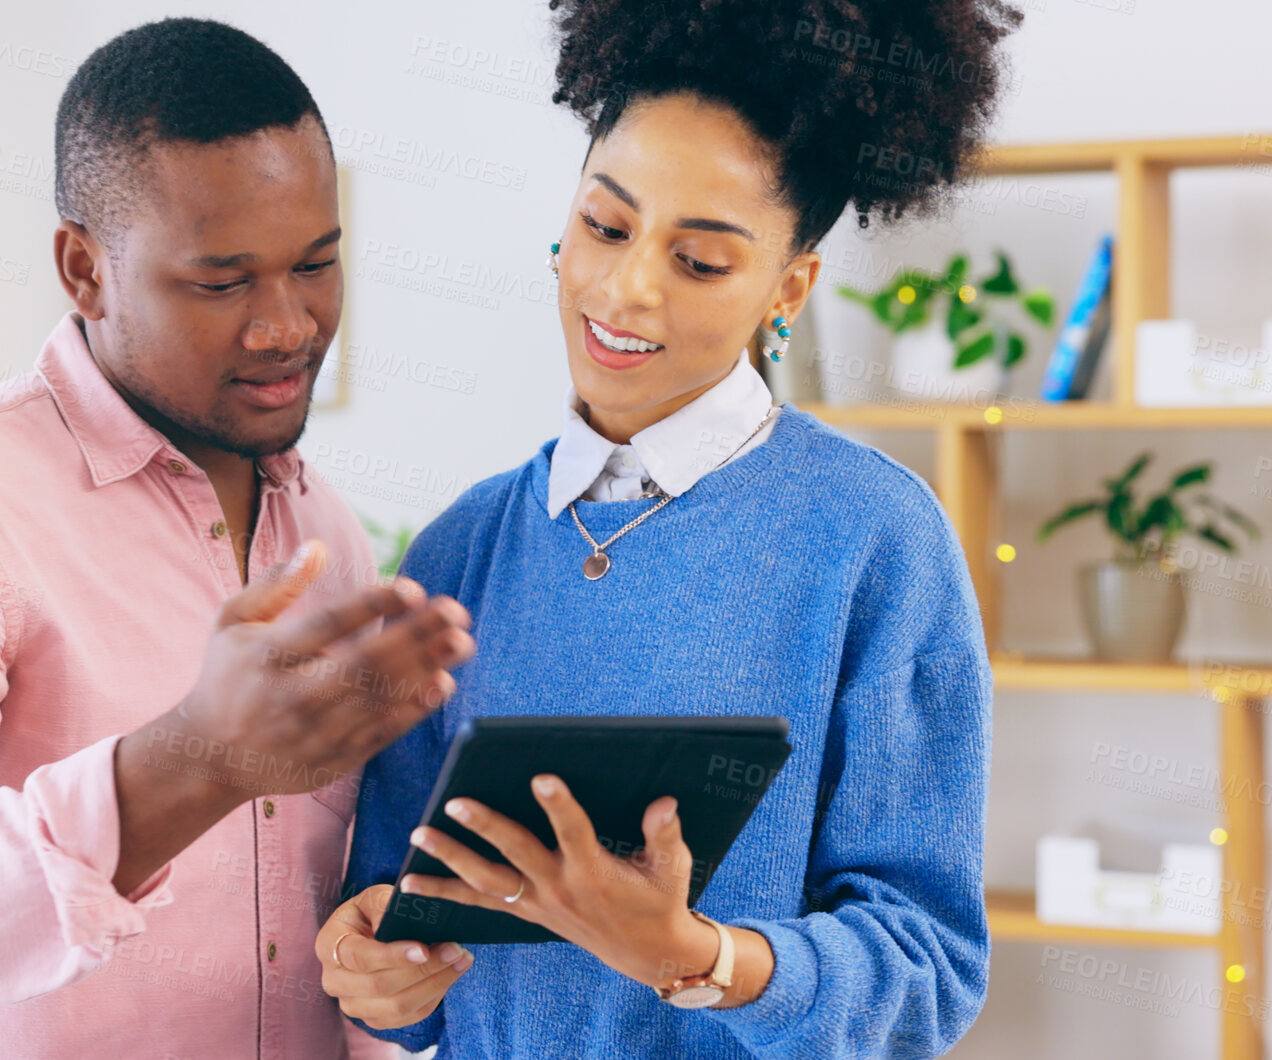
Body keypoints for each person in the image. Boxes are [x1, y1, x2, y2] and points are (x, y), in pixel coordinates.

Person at [318, 0, 1025, 1056]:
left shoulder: (874, 540)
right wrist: (374, 971)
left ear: (786, 290)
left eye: (698, 262)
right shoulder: (461, 550)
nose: (626, 288)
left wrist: (696, 957)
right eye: (606, 226)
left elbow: (926, 970)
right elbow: (396, 922)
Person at [0, 18, 473, 1059]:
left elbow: (319, 939)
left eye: (316, 264)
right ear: (84, 269)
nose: (285, 324)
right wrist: (192, 758)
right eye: (221, 281)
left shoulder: (325, 528)